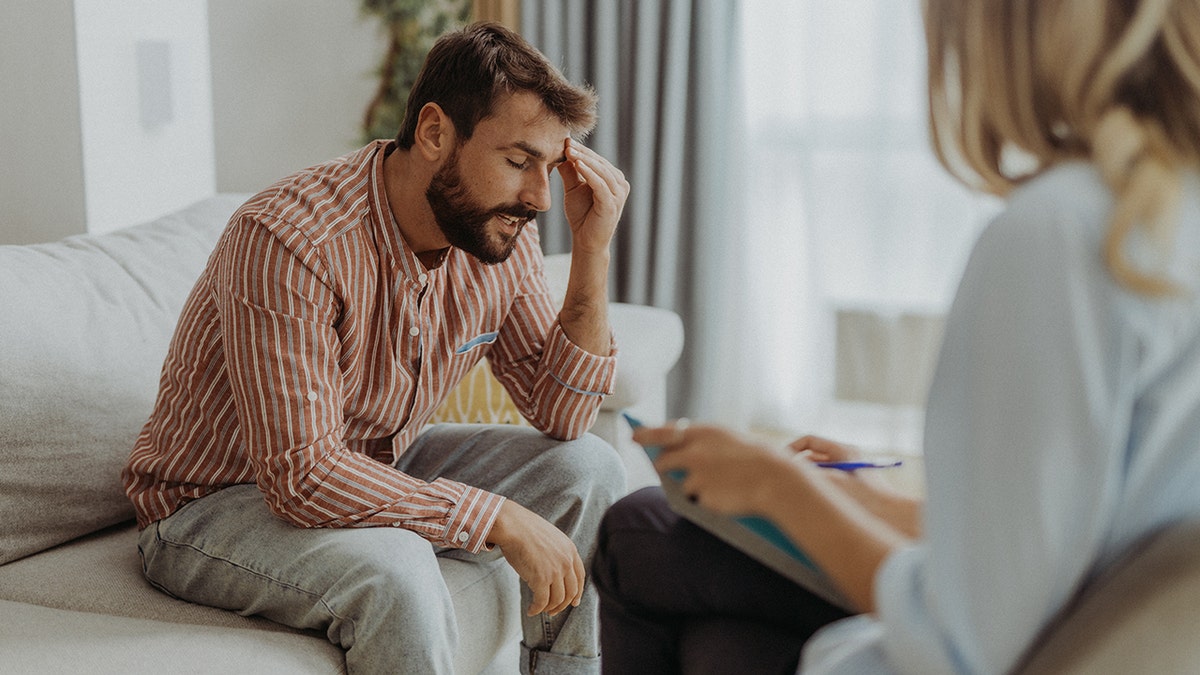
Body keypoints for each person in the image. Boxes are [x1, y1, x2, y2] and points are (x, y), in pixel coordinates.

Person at [592, 0, 1200, 672]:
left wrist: (781, 489)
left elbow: (964, 642)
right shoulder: (1166, 216)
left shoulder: (1066, 234)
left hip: (1001, 648)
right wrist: (872, 498)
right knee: (716, 641)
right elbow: (1082, 529)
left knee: (641, 532)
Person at [123, 22, 630, 675]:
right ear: (434, 132)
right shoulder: (290, 239)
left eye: (549, 167)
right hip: (211, 504)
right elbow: (302, 476)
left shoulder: (499, 238)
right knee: (398, 568)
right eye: (517, 160)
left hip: (379, 460)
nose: (538, 198)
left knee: (590, 468)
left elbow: (564, 416)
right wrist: (495, 515)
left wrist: (592, 252)